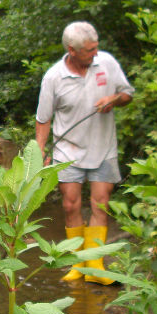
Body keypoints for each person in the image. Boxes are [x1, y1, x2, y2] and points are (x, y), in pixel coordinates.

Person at [35, 21, 134, 285]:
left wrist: (113, 100)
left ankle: (96, 265)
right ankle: (77, 264)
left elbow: (127, 94)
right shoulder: (54, 77)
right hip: (68, 151)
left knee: (101, 203)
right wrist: (40, 152)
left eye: (96, 47)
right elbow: (43, 119)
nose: (95, 53)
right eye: (89, 50)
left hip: (104, 147)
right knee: (71, 204)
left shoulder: (107, 63)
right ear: (72, 50)